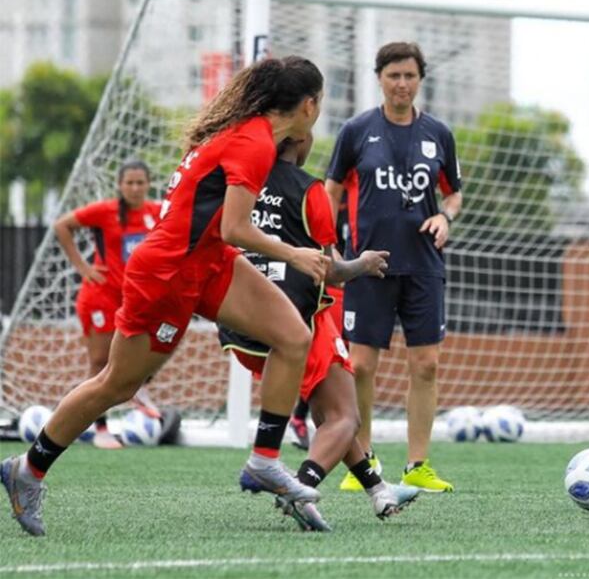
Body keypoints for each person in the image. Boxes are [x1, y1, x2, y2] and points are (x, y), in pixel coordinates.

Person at [1, 56, 331, 537]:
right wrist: (296, 254)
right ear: (308, 104)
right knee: (117, 384)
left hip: (209, 260)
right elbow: (239, 226)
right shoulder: (254, 141)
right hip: (168, 274)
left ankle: (264, 460)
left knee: (293, 337)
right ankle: (26, 470)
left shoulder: (252, 132)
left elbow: (224, 228)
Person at [218, 133, 420, 531]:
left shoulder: (238, 183)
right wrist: (362, 263)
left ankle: (378, 489)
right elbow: (331, 269)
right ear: (303, 133)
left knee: (330, 411)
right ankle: (299, 489)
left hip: (239, 322)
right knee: (345, 417)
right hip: (297, 321)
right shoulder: (309, 191)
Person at [324, 42, 463, 493]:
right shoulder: (356, 130)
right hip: (367, 265)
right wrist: (330, 248)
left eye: (409, 76)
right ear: (379, 77)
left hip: (423, 264)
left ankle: (418, 464)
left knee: (426, 363)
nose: (402, 84)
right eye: (393, 75)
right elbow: (330, 190)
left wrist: (445, 215)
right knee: (361, 365)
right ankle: (362, 463)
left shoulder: (439, 133)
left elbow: (454, 193)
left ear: (420, 79)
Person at [53, 159, 161, 449]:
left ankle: (139, 392)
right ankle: (100, 427)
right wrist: (83, 268)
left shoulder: (156, 214)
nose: (135, 188)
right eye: (130, 183)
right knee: (100, 363)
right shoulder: (105, 212)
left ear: (148, 184)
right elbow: (62, 226)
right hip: (100, 297)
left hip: (137, 299)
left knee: (150, 352)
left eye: (140, 182)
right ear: (120, 185)